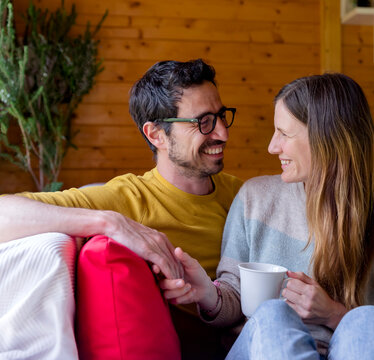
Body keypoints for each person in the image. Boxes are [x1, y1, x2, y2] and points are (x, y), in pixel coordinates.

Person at [160, 73, 374, 360]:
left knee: (372, 321)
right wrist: (207, 293)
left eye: (284, 134)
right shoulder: (255, 199)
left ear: (327, 139)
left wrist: (334, 315)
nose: (272, 146)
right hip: (263, 349)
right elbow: (235, 302)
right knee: (273, 313)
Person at [0, 59, 243, 358]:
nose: (222, 133)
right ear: (156, 135)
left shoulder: (243, 196)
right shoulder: (128, 198)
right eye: (203, 121)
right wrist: (109, 223)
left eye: (221, 115)